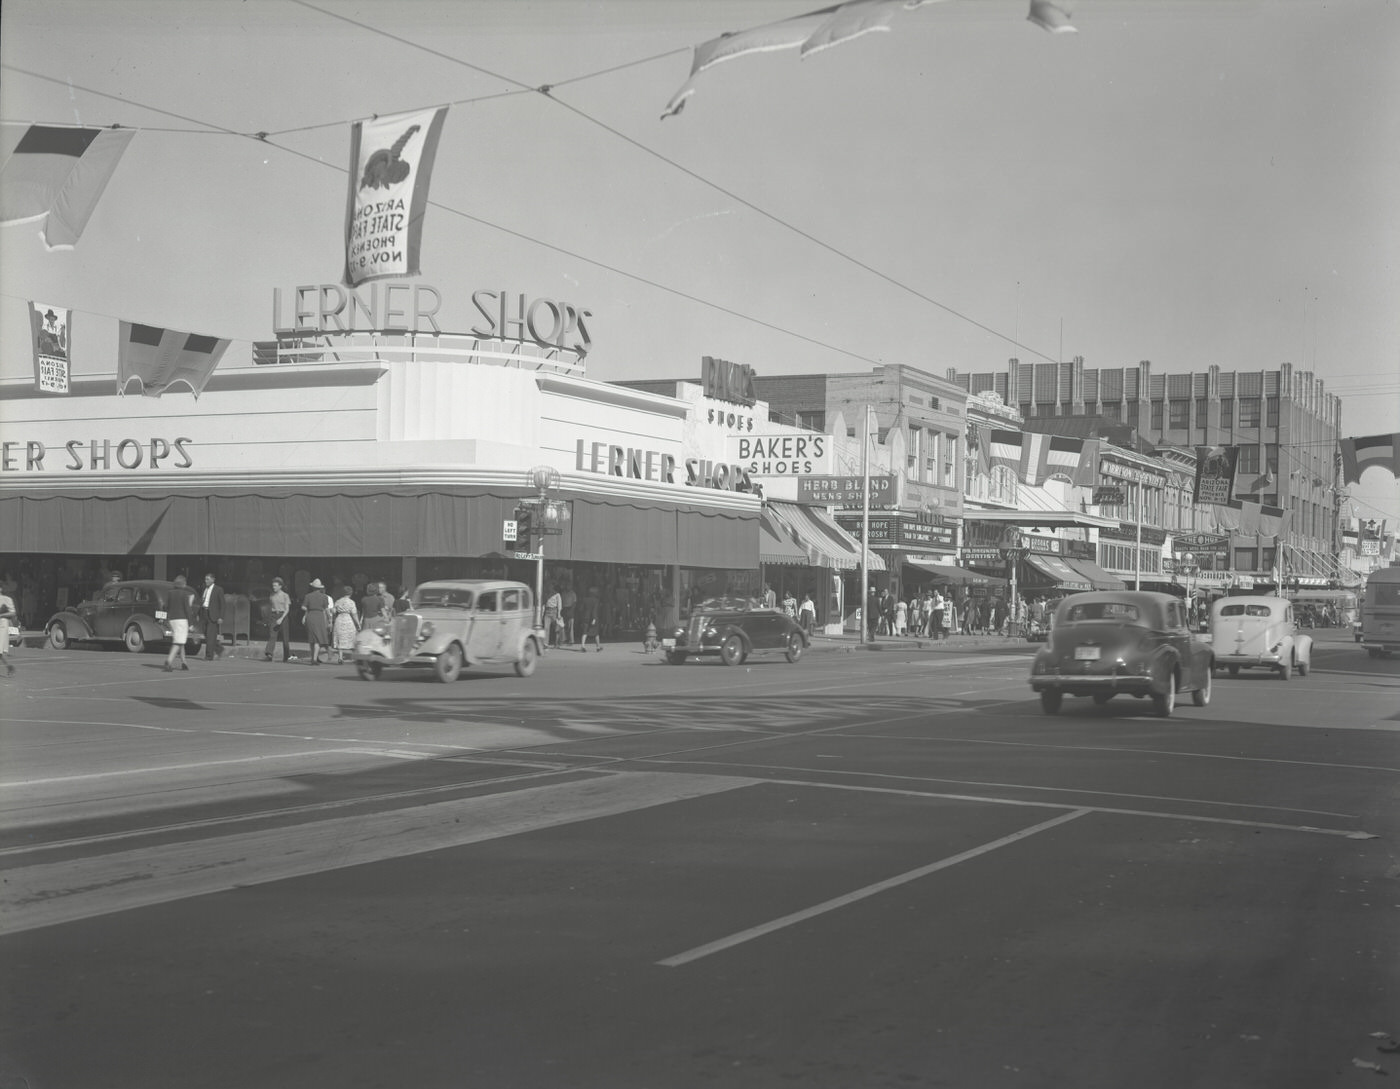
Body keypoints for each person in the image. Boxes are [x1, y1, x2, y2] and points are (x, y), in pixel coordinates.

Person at [162, 575, 195, 672]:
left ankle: (184, 662)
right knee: (178, 642)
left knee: (180, 641)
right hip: (182, 619)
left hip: (172, 619)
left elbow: (165, 606)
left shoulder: (170, 593)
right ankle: (168, 661)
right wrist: (191, 623)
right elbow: (188, 609)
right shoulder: (184, 594)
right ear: (184, 583)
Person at [263, 576, 293, 662]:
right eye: (273, 585)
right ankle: (269, 654)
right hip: (274, 616)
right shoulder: (271, 595)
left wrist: (281, 618)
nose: (274, 587)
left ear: (280, 586)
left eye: (275, 585)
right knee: (272, 635)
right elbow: (271, 606)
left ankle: (286, 656)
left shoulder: (285, 596)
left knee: (285, 637)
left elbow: (287, 609)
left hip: (283, 615)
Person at [301, 579, 331, 664]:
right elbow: (327, 609)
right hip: (320, 617)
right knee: (318, 639)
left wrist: (307, 611)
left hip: (310, 616)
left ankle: (312, 658)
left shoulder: (308, 596)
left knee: (312, 638)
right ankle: (314, 659)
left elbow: (303, 607)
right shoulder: (324, 597)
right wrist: (330, 620)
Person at [198, 573, 225, 660]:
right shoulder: (204, 588)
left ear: (213, 580)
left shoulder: (218, 589)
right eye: (205, 579)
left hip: (213, 615)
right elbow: (202, 600)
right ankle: (218, 648)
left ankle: (209, 656)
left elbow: (223, 604)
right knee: (207, 634)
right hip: (204, 613)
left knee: (210, 635)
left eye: (208, 579)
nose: (206, 581)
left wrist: (221, 617)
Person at [331, 586, 360, 663]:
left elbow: (333, 612)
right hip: (349, 620)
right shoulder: (351, 602)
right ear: (351, 593)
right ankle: (354, 657)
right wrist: (358, 624)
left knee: (340, 639)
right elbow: (354, 614)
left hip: (339, 619)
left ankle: (340, 657)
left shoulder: (337, 601)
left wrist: (333, 619)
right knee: (352, 638)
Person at [579, 586, 603, 652]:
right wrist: (594, 619)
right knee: (596, 633)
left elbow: (581, 609)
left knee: (585, 632)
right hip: (593, 618)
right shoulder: (596, 600)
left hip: (585, 617)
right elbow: (594, 610)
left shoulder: (584, 599)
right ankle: (598, 647)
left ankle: (582, 646)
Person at [0, 582, 17, 676]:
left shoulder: (7, 599)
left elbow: (13, 613)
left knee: (0, 649)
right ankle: (9, 667)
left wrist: (1, 615)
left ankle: (10, 666)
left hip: (2, 624)